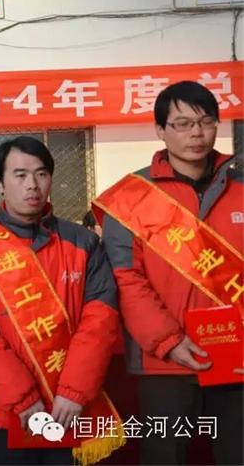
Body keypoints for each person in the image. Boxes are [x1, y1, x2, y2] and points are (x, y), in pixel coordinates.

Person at [93, 81, 243, 465]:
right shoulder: (131, 197)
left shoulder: (241, 187)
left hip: (238, 357)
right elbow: (127, 280)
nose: (196, 133)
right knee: (165, 455)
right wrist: (169, 341)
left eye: (205, 122)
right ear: (161, 130)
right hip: (164, 362)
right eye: (182, 123)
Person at [0, 136, 122, 465]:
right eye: (20, 175)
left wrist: (74, 392)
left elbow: (100, 320)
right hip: (8, 407)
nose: (32, 185)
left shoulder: (83, 242)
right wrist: (22, 398)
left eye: (41, 174)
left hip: (73, 405)